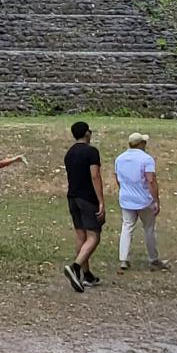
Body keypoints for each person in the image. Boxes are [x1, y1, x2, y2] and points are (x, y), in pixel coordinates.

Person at [114, 131, 168, 271]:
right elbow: (151, 180)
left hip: (126, 198)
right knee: (149, 228)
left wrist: (124, 190)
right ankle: (153, 258)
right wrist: (156, 200)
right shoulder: (146, 159)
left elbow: (117, 178)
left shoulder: (120, 158)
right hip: (144, 199)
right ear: (141, 144)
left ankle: (123, 258)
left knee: (127, 227)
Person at [62, 122, 105, 292]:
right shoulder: (91, 151)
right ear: (87, 133)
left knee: (81, 235)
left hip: (72, 196)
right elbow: (95, 176)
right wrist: (101, 200)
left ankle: (86, 275)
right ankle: (76, 267)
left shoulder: (69, 153)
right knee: (94, 235)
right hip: (87, 198)